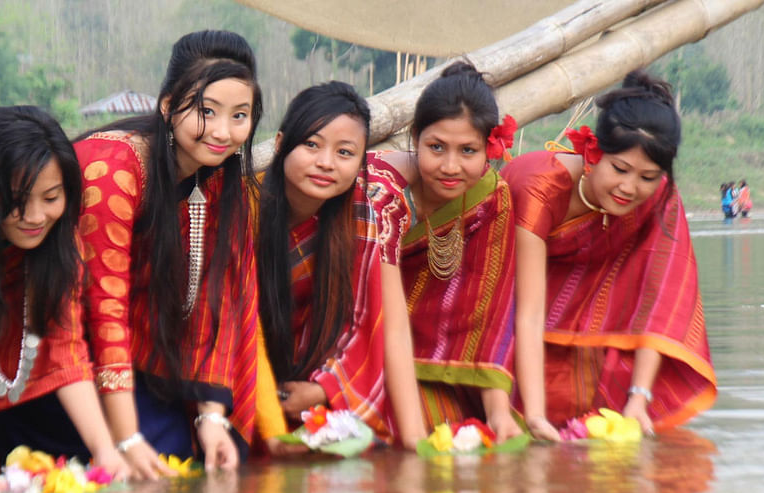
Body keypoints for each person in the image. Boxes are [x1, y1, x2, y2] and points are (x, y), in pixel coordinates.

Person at [74, 30, 263, 471]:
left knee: (214, 453)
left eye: (240, 115)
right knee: (149, 466)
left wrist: (209, 415)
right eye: (206, 111)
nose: (222, 132)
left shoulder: (217, 177)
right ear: (167, 106)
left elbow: (218, 296)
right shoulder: (114, 168)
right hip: (67, 363)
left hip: (145, 364)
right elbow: (105, 308)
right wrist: (126, 440)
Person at [504, 70, 716, 439]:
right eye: (620, 169)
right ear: (592, 151)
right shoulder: (539, 188)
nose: (630, 188)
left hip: (584, 334)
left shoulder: (659, 198)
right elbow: (529, 311)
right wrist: (534, 416)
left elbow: (660, 303)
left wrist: (638, 399)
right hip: (508, 317)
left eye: (648, 177)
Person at [0, 106, 133, 480]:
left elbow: (67, 351)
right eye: (16, 202)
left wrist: (105, 450)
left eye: (51, 198)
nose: (34, 217)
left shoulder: (62, 244)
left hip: (16, 404)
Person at [256, 81, 426, 449]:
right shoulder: (246, 207)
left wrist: (322, 390)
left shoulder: (363, 215)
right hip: (247, 375)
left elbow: (370, 323)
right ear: (282, 142)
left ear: (361, 162)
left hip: (318, 383)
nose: (326, 163)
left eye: (345, 152)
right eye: (312, 145)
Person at [368, 62, 523, 441]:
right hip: (368, 355)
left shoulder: (491, 198)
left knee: (491, 441)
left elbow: (489, 312)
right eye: (436, 147)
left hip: (447, 370)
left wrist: (499, 413)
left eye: (467, 150)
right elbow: (369, 309)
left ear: (488, 148)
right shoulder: (377, 189)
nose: (450, 166)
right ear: (415, 137)